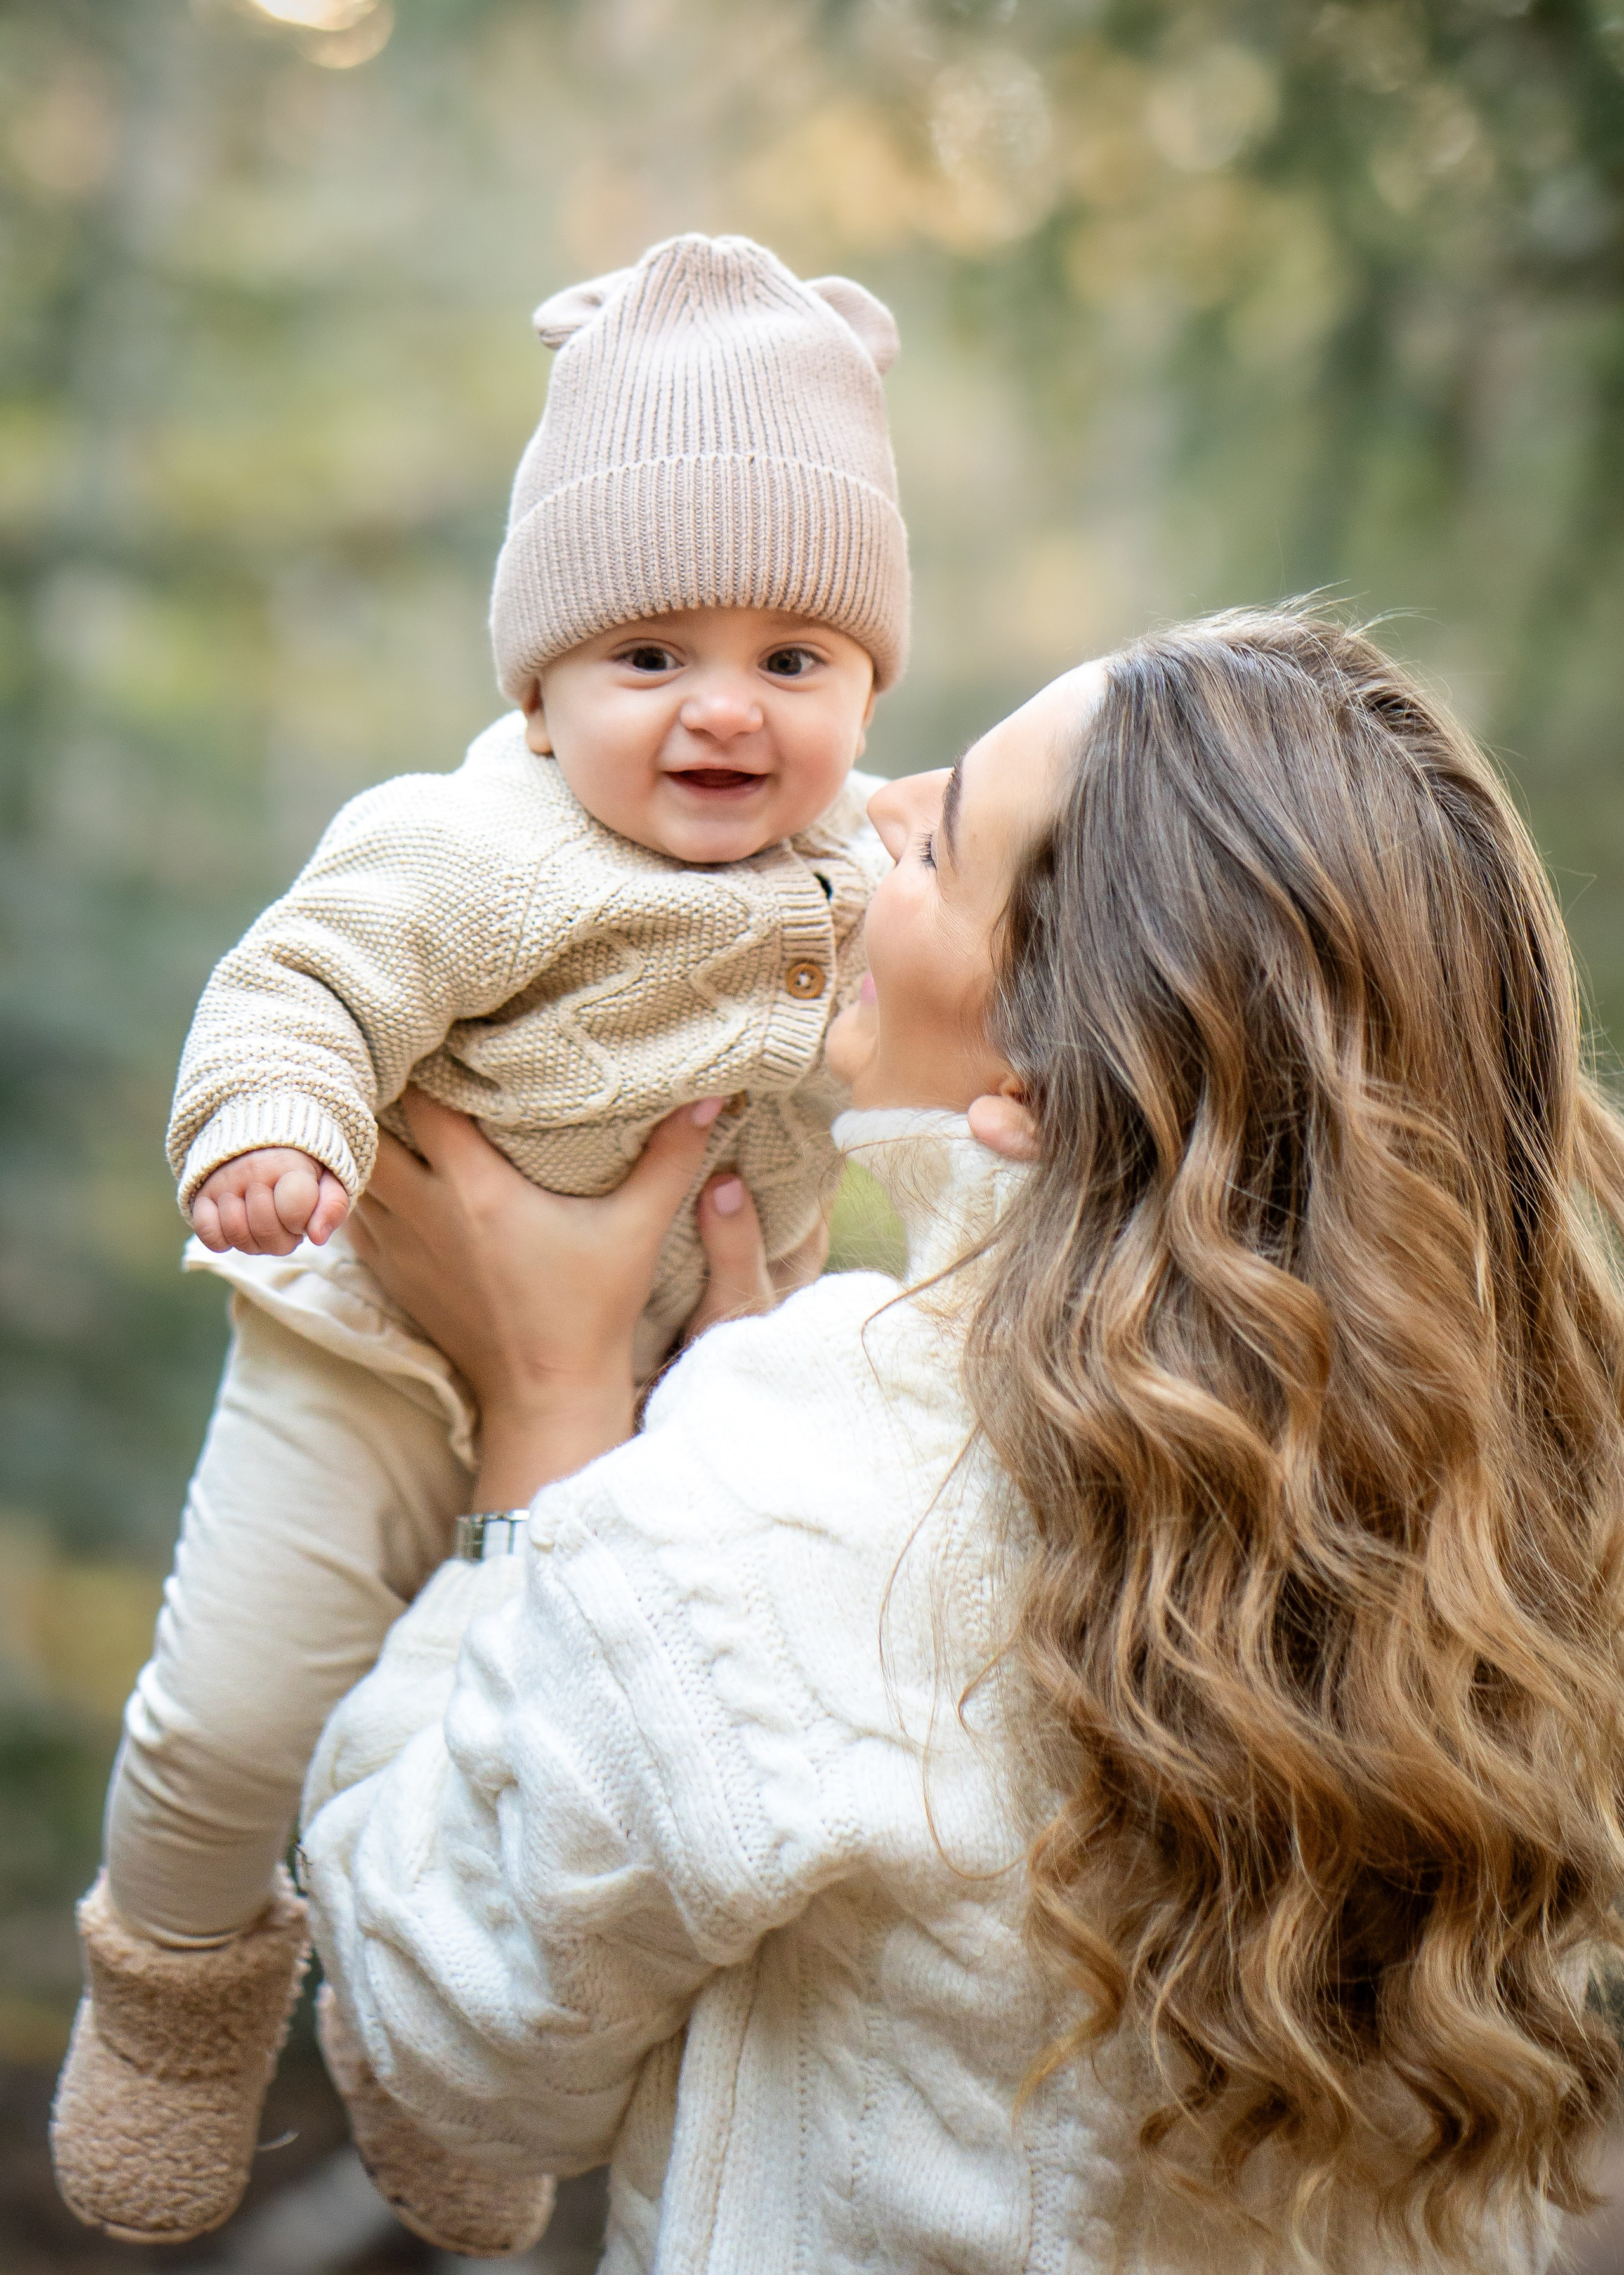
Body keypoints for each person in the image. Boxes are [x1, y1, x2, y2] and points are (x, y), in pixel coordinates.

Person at [299, 608, 1624, 2272]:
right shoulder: (1524, 1518)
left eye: (935, 838)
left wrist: (553, 1429)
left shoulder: (805, 1471)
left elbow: (452, 2052)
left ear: (1037, 1082)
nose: (859, 805)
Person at [49, 232, 908, 2252]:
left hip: (655, 1398)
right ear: (537, 684)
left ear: (871, 684)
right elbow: (300, 991)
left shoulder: (868, 863)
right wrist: (269, 1128)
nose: (724, 712)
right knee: (236, 1708)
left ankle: (428, 2046)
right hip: (362, 1356)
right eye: (650, 658)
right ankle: (173, 1996)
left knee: (543, 1738)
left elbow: (975, 1013)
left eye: (795, 659)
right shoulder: (468, 847)